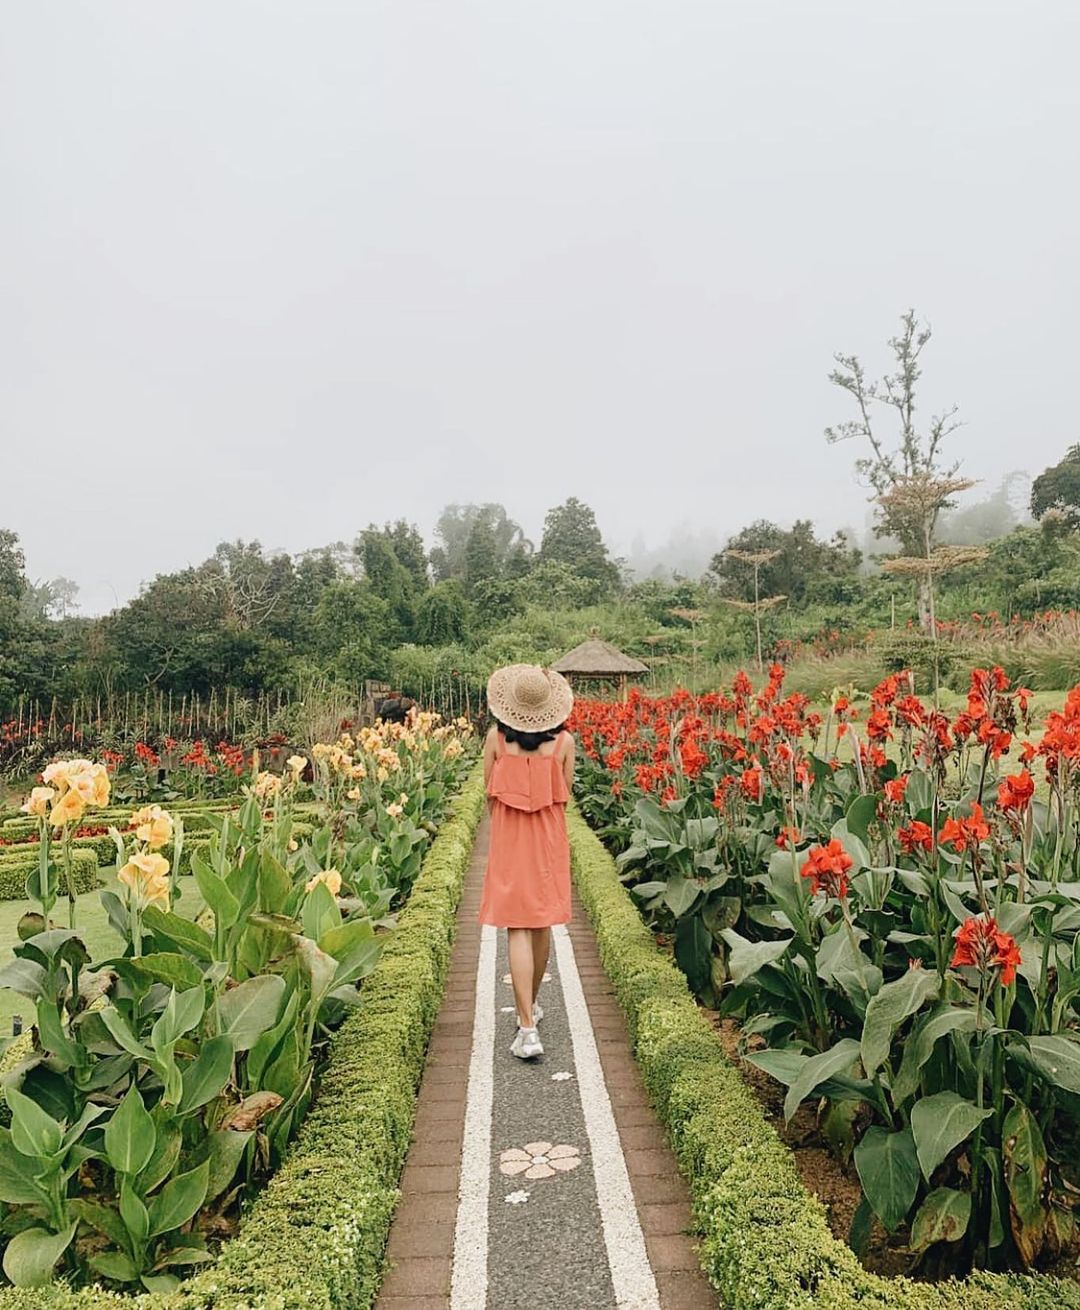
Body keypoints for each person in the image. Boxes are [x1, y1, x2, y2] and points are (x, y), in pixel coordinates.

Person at [480, 663, 575, 1060]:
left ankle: (527, 1028)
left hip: (509, 837)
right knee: (541, 924)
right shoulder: (565, 743)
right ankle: (531, 1006)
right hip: (549, 840)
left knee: (516, 927)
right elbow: (566, 791)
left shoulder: (496, 740)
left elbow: (488, 792)